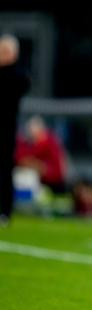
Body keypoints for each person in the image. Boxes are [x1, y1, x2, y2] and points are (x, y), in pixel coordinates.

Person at [0, 34, 30, 227]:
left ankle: (5, 211)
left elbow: (21, 84)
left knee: (5, 170)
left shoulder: (17, 76)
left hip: (6, 129)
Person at [14, 116, 67, 194]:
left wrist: (42, 168)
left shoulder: (50, 143)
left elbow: (56, 169)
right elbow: (21, 159)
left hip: (52, 183)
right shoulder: (28, 144)